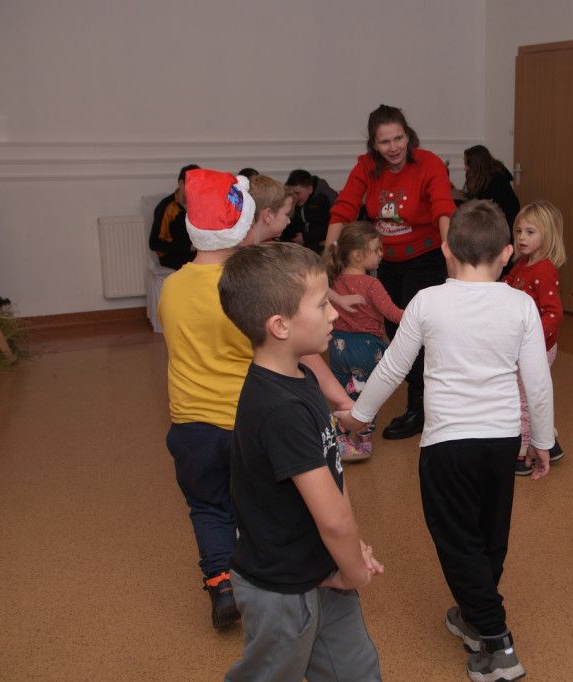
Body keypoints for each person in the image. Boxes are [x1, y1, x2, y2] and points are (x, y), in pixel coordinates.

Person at [337, 200, 553, 682]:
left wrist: (359, 416)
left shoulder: (427, 301)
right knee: (490, 533)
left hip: (447, 446)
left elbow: (391, 368)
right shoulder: (520, 304)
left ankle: (497, 642)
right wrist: (541, 439)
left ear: (446, 251)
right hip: (501, 443)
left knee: (458, 541)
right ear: (506, 254)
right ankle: (476, 615)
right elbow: (537, 382)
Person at [158, 169, 352, 630]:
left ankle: (220, 582)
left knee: (208, 507)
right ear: (244, 223)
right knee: (259, 505)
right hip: (244, 424)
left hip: (190, 425)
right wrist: (341, 400)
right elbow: (298, 354)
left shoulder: (172, 286)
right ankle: (266, 580)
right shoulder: (244, 291)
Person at [218, 242, 383, 681]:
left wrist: (347, 553)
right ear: (280, 326)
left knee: (355, 670)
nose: (334, 314)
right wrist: (354, 571)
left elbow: (333, 472)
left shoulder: (302, 376)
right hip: (282, 591)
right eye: (322, 304)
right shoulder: (279, 409)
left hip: (322, 566)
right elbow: (333, 520)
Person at [327, 104, 456, 440]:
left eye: (399, 138)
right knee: (391, 328)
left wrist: (450, 255)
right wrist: (327, 255)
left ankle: (419, 406)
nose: (394, 147)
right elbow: (344, 207)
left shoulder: (427, 163)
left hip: (425, 258)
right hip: (385, 261)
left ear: (408, 136)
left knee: (412, 329)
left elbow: (443, 208)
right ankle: (421, 395)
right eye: (385, 142)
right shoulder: (366, 167)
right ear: (374, 144)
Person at [324, 221, 403, 460]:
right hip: (367, 351)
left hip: (337, 348)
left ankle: (341, 437)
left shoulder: (333, 280)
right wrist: (419, 313)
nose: (381, 254)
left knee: (343, 395)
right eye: (377, 249)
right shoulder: (371, 284)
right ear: (358, 256)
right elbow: (393, 314)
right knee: (368, 398)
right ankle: (364, 440)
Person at [503, 200, 567, 475]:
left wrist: (531, 342)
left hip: (537, 348)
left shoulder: (544, 270)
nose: (522, 237)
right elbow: (506, 286)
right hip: (525, 347)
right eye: (519, 231)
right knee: (526, 395)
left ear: (547, 236)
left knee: (523, 400)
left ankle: (523, 454)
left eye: (530, 232)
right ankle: (550, 444)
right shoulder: (523, 264)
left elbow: (554, 313)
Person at [149, 163, 200, 270]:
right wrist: (188, 247)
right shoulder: (166, 207)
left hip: (196, 254)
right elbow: (154, 243)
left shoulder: (201, 204)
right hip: (172, 256)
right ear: (181, 184)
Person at [463, 145, 520, 229]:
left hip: (505, 220)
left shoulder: (497, 179)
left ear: (476, 164)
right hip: (494, 217)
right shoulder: (480, 176)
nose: (465, 168)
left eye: (467, 164)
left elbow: (489, 206)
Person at [282, 169, 339, 252]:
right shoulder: (295, 200)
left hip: (321, 244)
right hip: (301, 245)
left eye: (297, 193)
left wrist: (306, 237)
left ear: (310, 189)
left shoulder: (327, 197)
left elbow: (335, 225)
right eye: (292, 193)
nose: (295, 197)